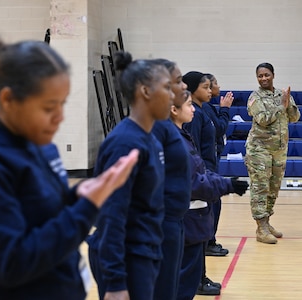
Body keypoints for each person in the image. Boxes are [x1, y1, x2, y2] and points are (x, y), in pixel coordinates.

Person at [0, 25, 139, 300]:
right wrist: (85, 209)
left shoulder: (41, 146)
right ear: (8, 99)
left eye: (62, 104)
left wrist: (80, 194)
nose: (59, 117)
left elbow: (44, 212)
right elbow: (12, 263)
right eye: (48, 107)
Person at [87, 51, 174, 300]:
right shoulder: (125, 144)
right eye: (167, 88)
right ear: (145, 92)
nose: (172, 96)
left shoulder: (150, 138)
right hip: (125, 258)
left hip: (145, 251)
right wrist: (115, 282)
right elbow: (111, 215)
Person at [170, 91, 248, 300]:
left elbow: (200, 171)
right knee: (183, 281)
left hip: (194, 217)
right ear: (173, 110)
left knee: (187, 276)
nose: (193, 109)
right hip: (186, 216)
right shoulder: (174, 142)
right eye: (188, 105)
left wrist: (224, 182)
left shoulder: (182, 136)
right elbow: (194, 182)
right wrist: (226, 185)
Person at [245, 62, 300, 244]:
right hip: (259, 150)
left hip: (278, 151)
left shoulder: (281, 95)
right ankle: (260, 228)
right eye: (260, 76)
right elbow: (262, 119)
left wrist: (288, 104)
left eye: (266, 75)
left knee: (273, 189)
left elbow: (294, 118)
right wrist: (281, 107)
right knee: (260, 188)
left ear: (273, 75)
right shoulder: (255, 98)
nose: (263, 79)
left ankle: (267, 223)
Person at [151, 59, 191, 300]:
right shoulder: (136, 136)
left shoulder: (169, 130)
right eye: (177, 81)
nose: (183, 86)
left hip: (172, 224)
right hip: (153, 232)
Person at [182, 71, 221, 295]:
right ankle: (197, 280)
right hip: (202, 179)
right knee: (198, 233)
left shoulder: (201, 112)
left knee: (204, 230)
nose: (210, 91)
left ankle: (200, 277)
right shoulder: (194, 116)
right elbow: (194, 151)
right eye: (205, 87)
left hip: (208, 176)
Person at [202, 74, 234, 257]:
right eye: (211, 85)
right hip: (206, 165)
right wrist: (225, 110)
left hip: (211, 161)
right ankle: (207, 241)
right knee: (212, 203)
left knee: (214, 202)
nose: (216, 87)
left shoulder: (207, 107)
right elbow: (219, 128)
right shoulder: (203, 109)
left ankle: (209, 240)